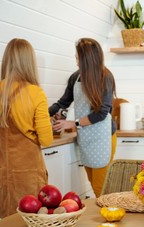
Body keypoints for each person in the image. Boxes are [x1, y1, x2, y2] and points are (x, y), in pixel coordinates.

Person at [0, 38, 53, 218]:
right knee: (31, 220)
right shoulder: (36, 92)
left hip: (2, 172)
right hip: (29, 173)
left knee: (6, 222)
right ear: (29, 62)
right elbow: (46, 139)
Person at [49, 38, 117, 198]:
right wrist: (44, 113)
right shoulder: (75, 78)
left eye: (78, 57)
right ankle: (105, 217)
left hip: (104, 138)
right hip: (86, 137)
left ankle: (112, 218)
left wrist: (73, 123)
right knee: (94, 185)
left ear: (87, 59)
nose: (76, 62)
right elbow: (62, 102)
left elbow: (102, 113)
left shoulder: (105, 77)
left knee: (102, 188)